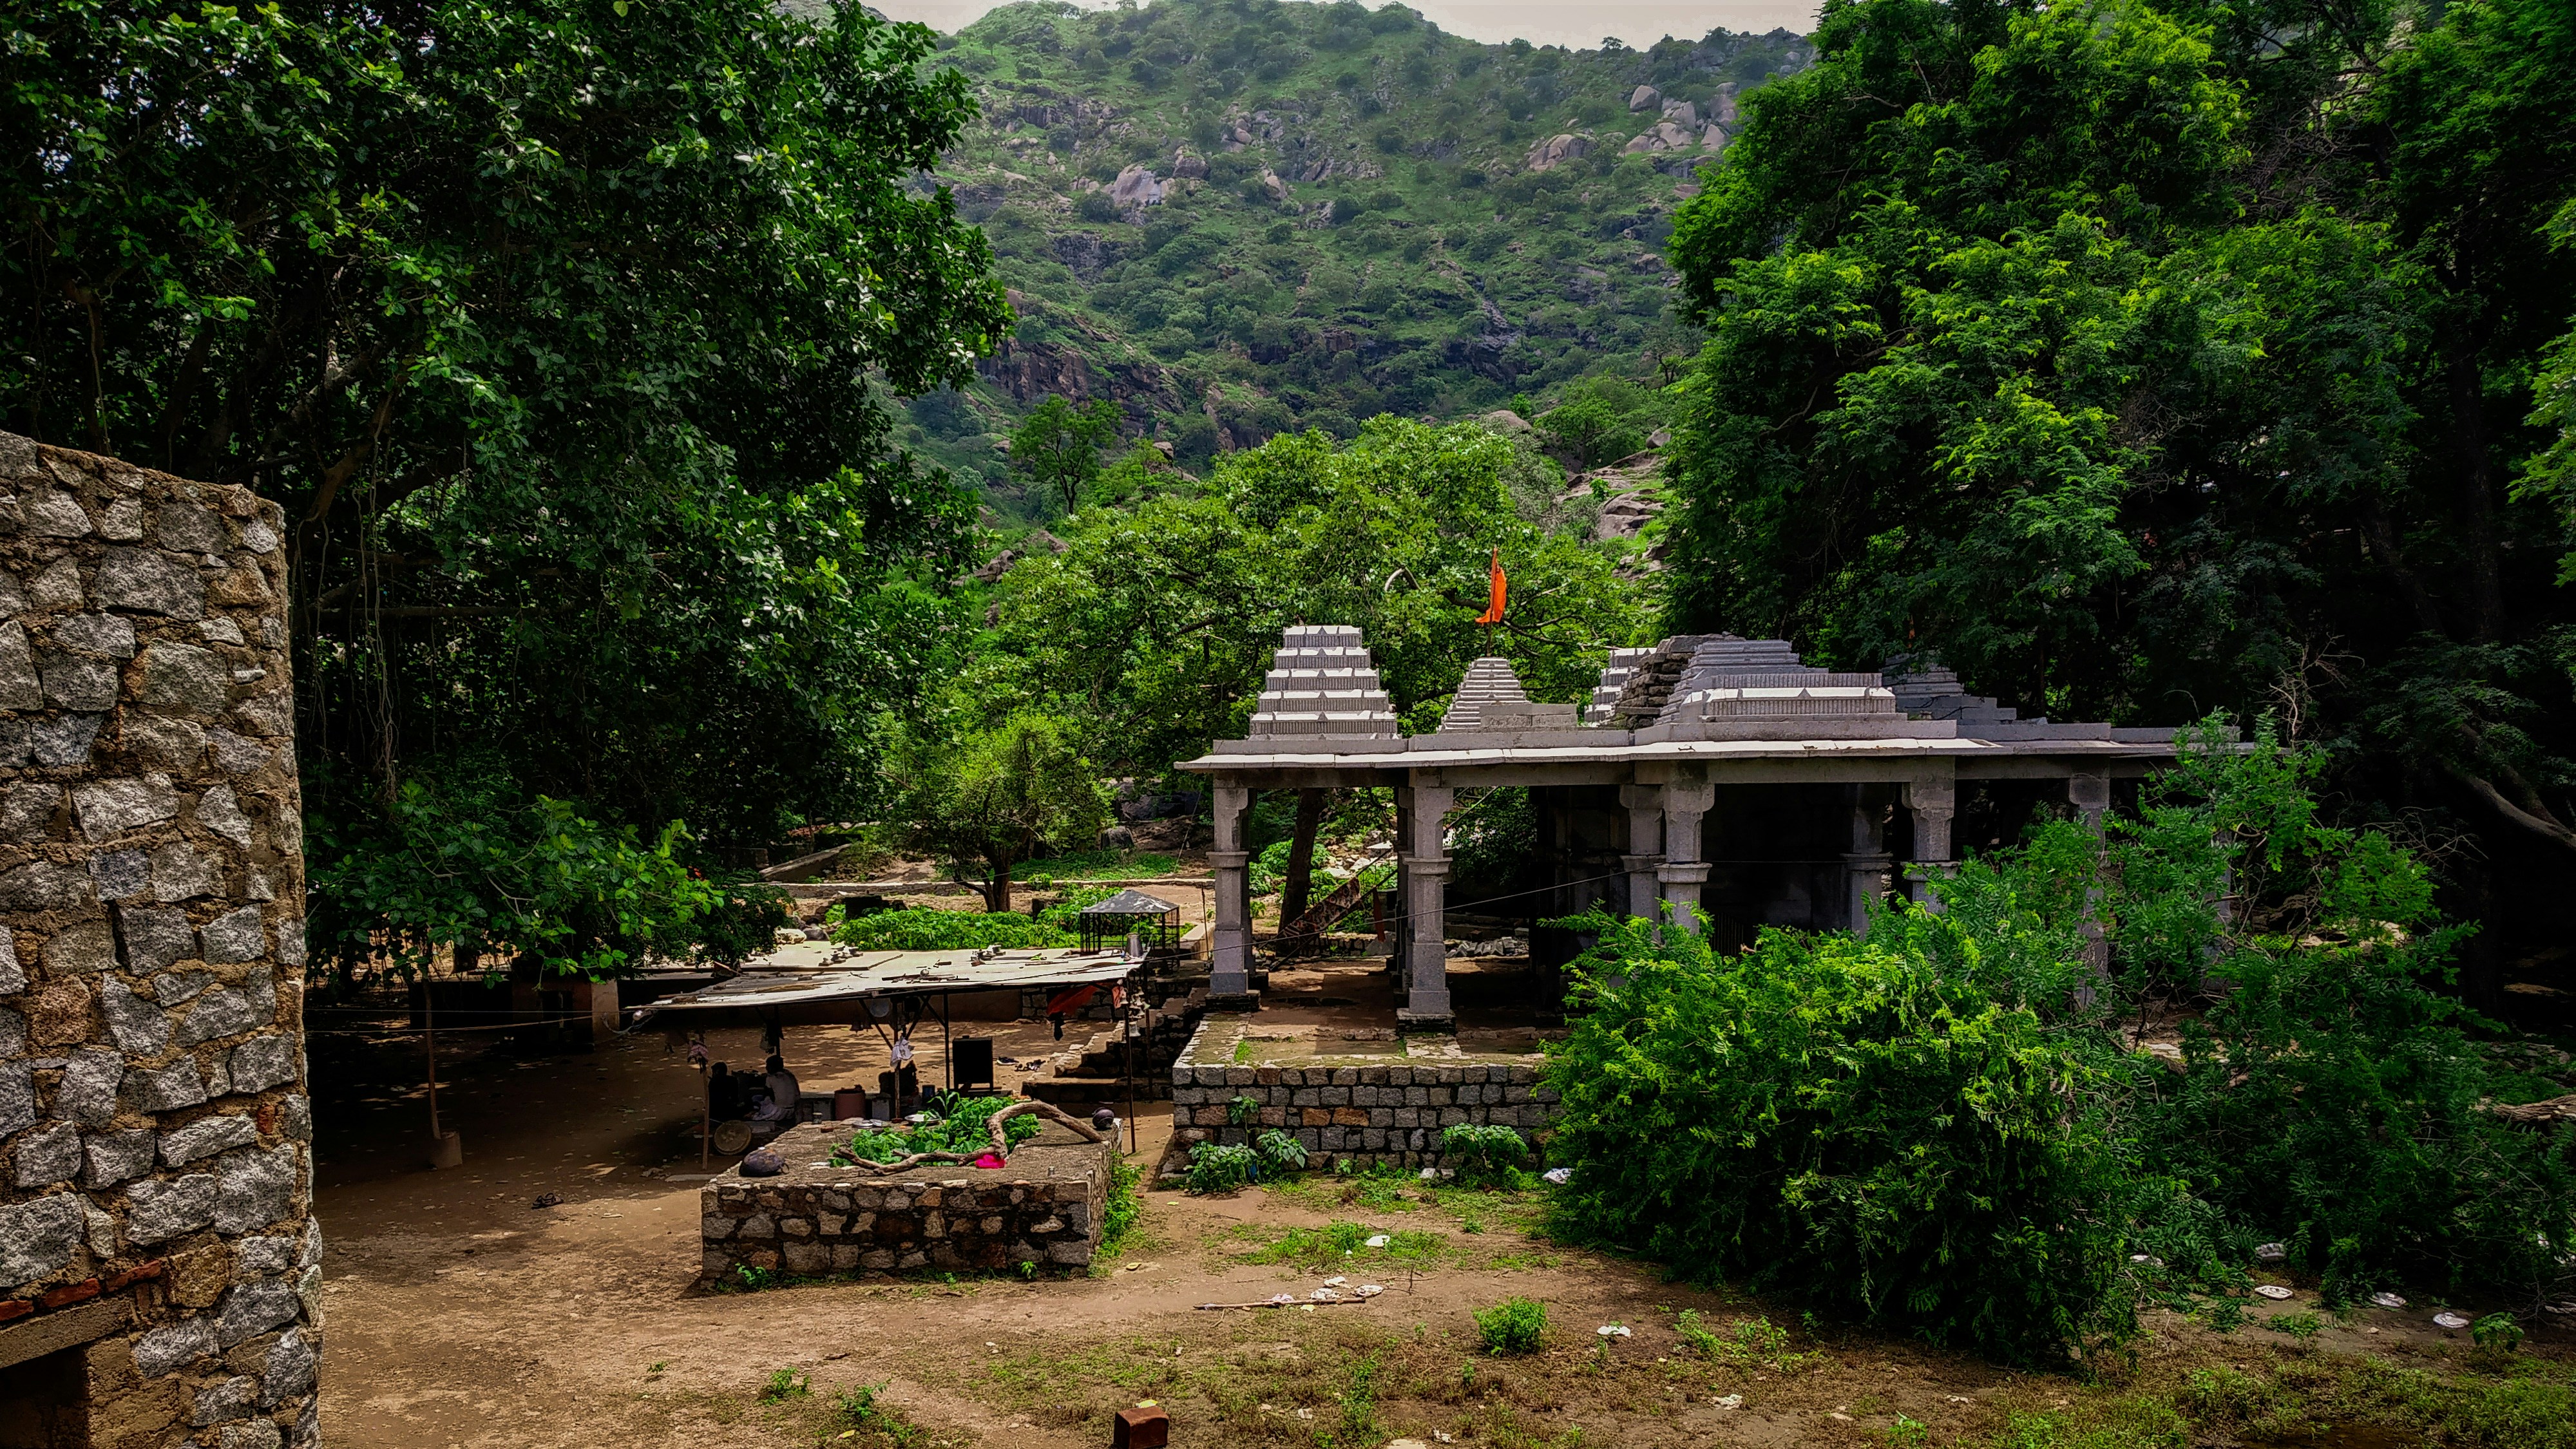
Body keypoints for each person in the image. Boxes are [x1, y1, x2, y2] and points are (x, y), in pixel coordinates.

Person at [763, 1054, 801, 1123]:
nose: (766, 1068)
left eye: (768, 1066)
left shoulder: (770, 1078)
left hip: (779, 1112)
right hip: (793, 1110)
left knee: (759, 1101)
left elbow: (770, 1095)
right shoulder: (790, 1075)